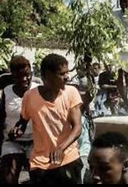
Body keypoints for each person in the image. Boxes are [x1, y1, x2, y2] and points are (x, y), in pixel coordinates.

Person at [11, 54, 83, 184]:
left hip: (68, 159)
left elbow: (77, 128)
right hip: (40, 163)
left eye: (67, 72)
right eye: (61, 74)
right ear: (47, 75)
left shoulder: (71, 92)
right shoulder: (30, 96)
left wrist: (61, 148)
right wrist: (18, 130)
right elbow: (23, 121)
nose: (67, 77)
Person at [0, 56, 40, 184]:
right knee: (8, 179)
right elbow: (1, 118)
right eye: (19, 76)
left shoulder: (38, 89)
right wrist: (0, 146)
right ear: (13, 76)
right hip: (12, 142)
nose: (24, 79)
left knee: (39, 178)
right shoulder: (7, 91)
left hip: (36, 141)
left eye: (27, 75)